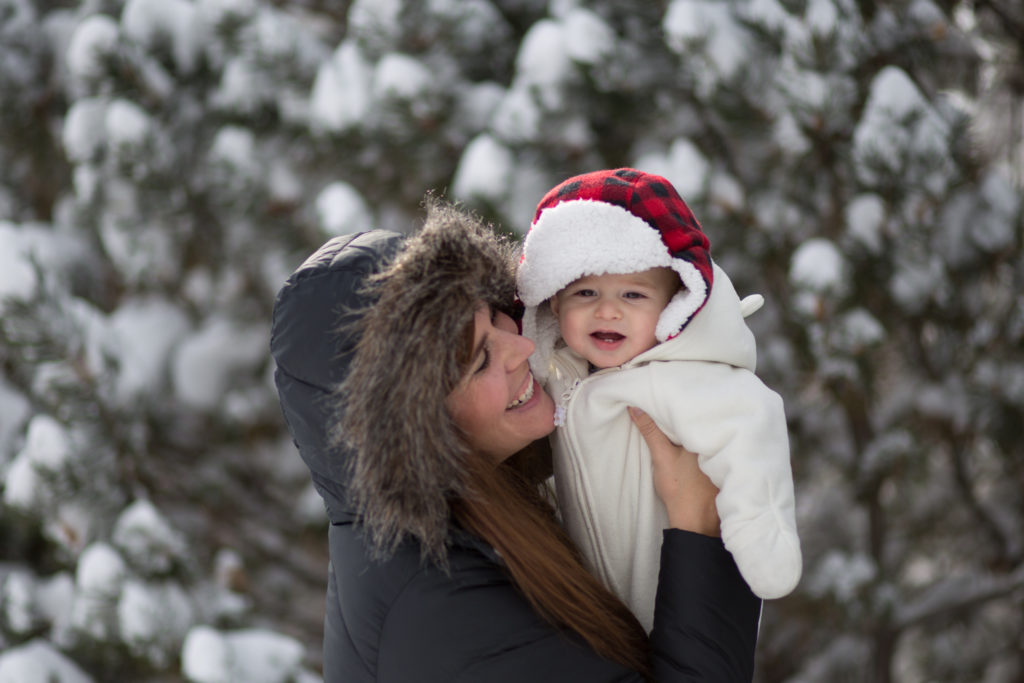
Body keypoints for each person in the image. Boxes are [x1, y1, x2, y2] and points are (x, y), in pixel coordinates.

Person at [270, 197, 761, 682]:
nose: (521, 345)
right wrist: (699, 527)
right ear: (412, 427)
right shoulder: (444, 617)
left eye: (494, 313)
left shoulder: (474, 526)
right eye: (479, 358)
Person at [516, 168, 801, 630]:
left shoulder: (684, 375)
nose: (607, 310)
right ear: (554, 303)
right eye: (585, 292)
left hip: (673, 602)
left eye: (633, 294)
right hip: (597, 614)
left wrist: (759, 528)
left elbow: (750, 421)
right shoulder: (559, 379)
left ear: (675, 304)